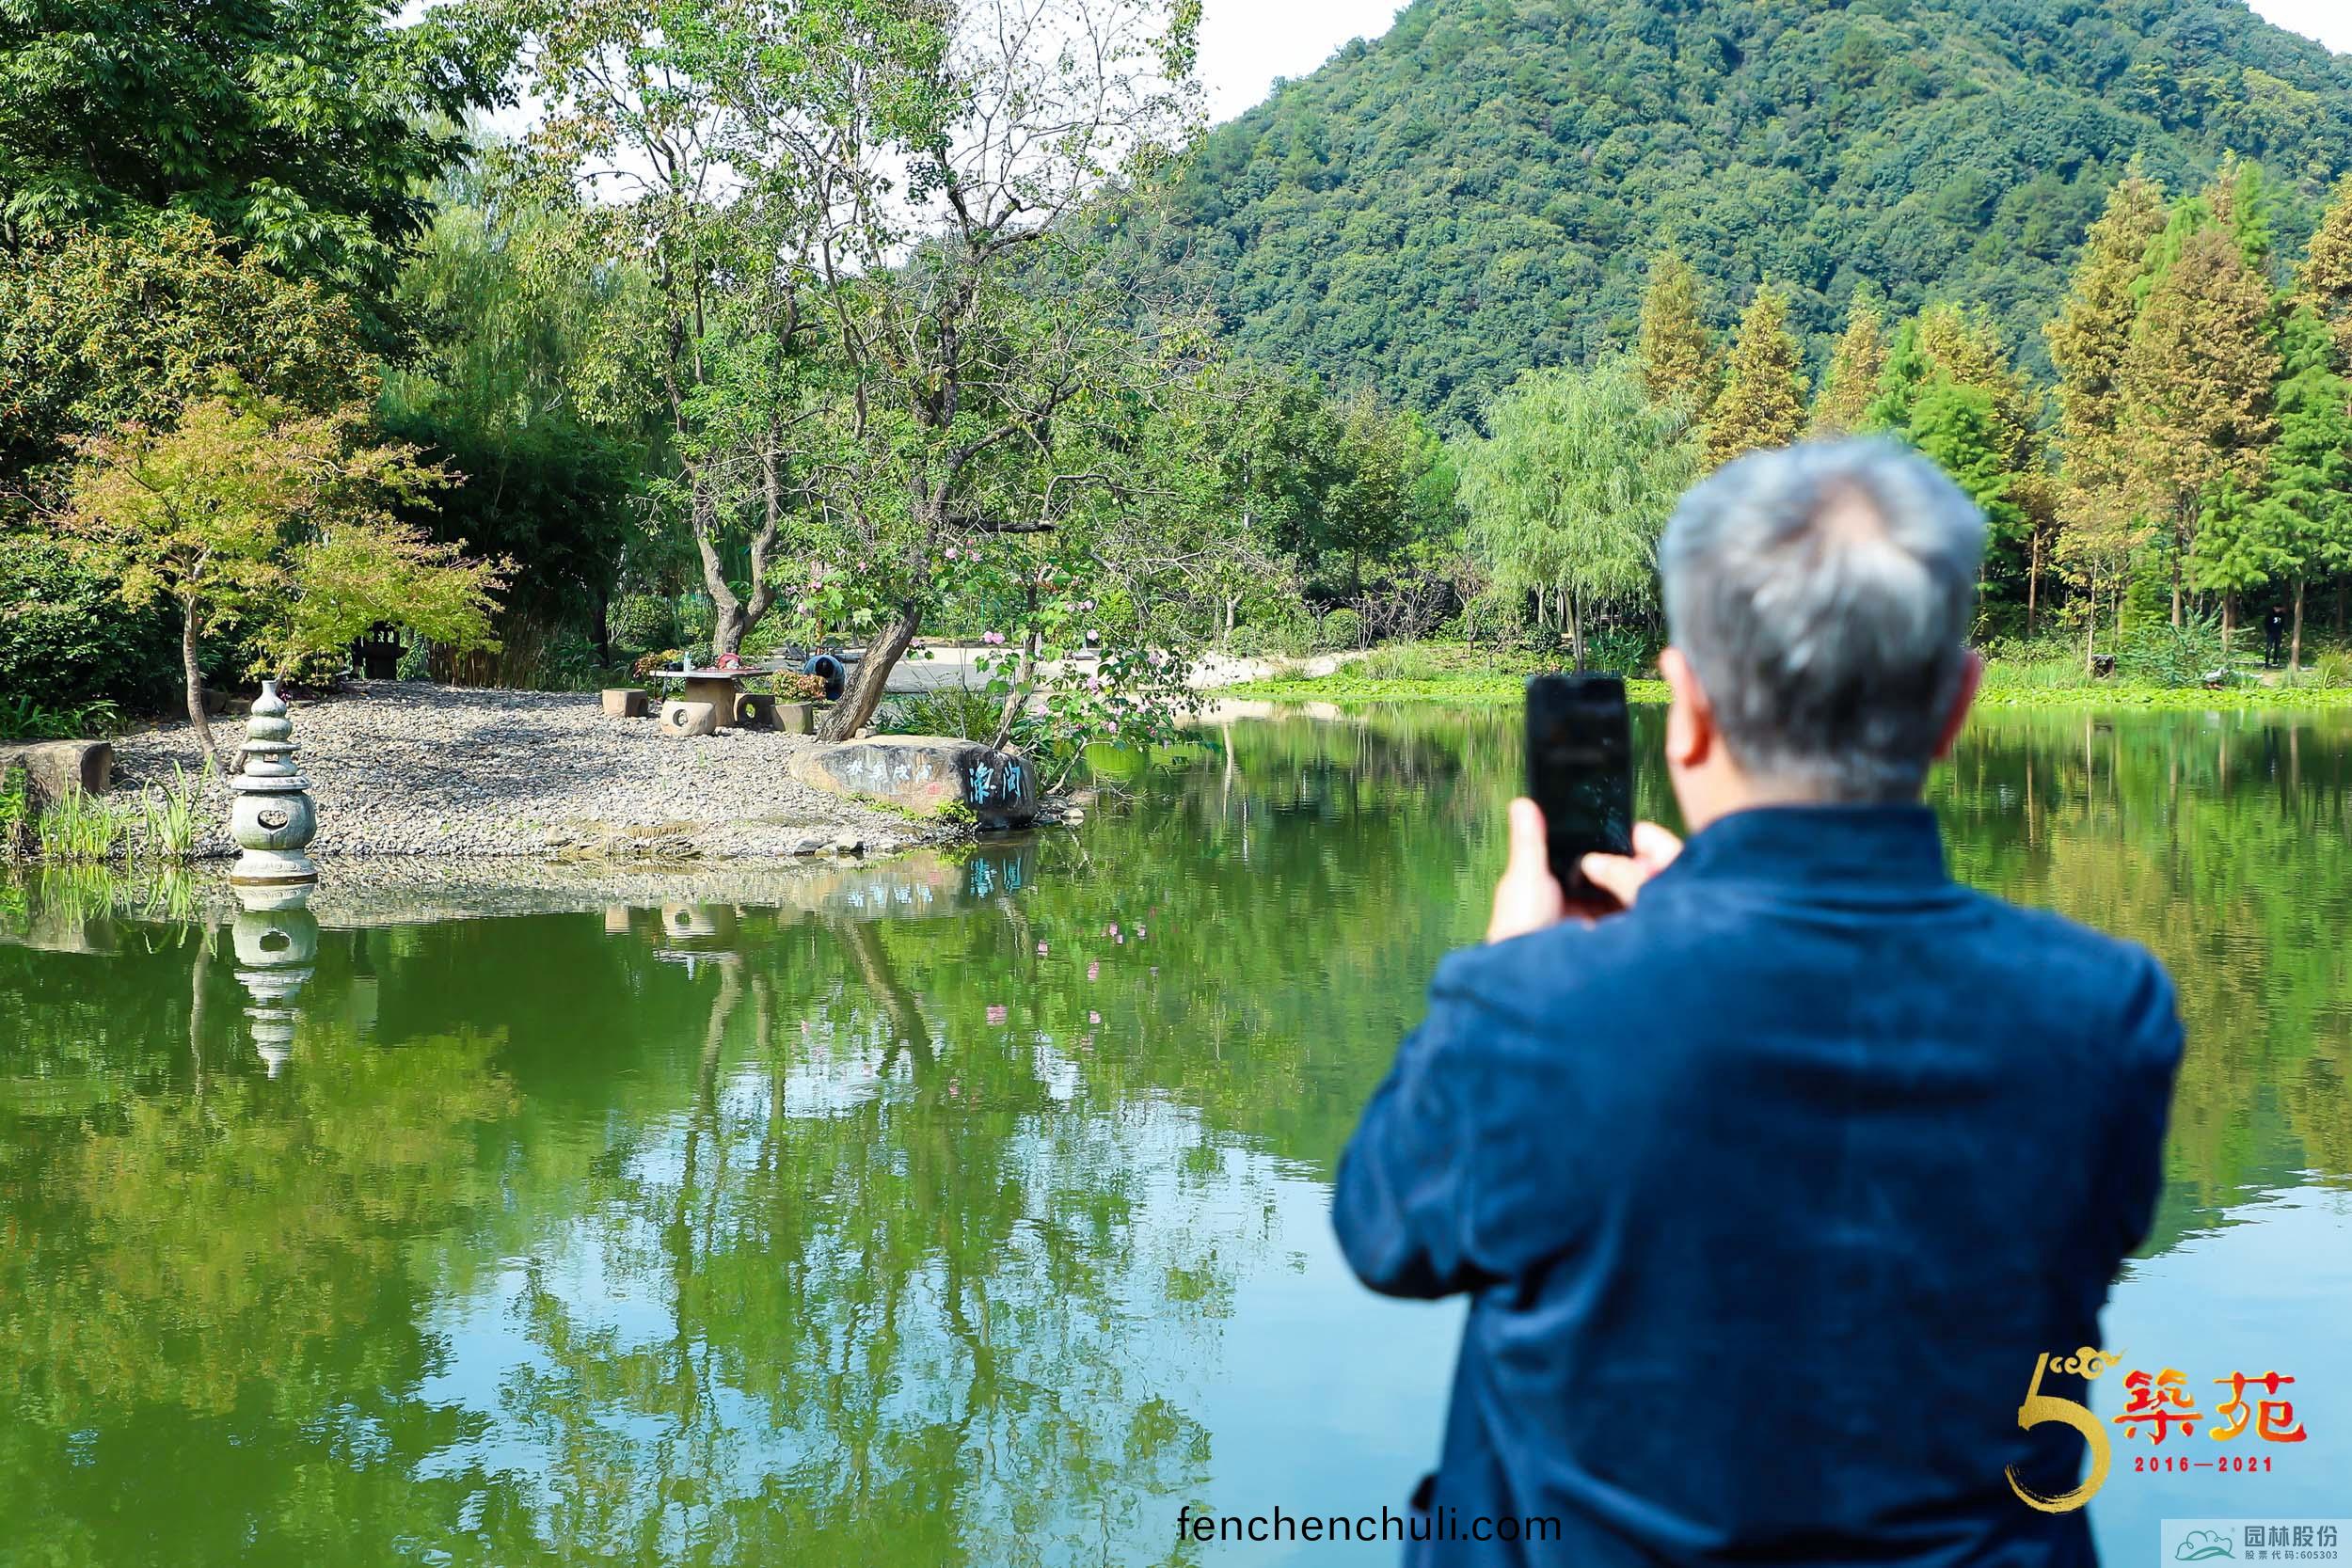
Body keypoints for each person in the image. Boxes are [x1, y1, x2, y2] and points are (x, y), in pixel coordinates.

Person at [1333, 440, 2184, 1568]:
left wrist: (1515, 973)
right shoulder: (2105, 1011)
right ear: (1957, 705)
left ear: (1684, 707)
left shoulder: (1537, 1011)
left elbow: (1384, 1233)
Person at [2264, 603, 2288, 669]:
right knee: (2269, 647)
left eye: (2279, 608)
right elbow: (2266, 623)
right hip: (2270, 633)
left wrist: (2283, 630)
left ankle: (2275, 660)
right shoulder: (2270, 614)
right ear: (2274, 608)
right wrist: (2267, 631)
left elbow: (2283, 623)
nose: (2278, 610)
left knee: (2277, 647)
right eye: (2277, 608)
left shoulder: (2282, 615)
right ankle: (2267, 662)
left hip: (2278, 633)